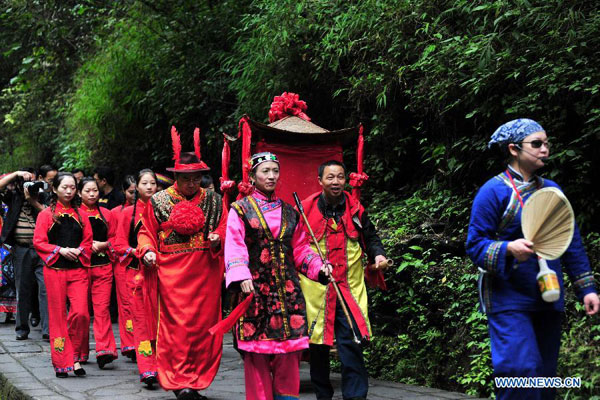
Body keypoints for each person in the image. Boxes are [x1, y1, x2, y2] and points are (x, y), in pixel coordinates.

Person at [466, 119, 599, 400]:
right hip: (507, 296)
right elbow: (475, 245)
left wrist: (586, 289)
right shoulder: (492, 192)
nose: (544, 149)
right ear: (514, 149)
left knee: (545, 376)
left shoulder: (551, 190)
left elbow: (570, 241)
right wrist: (508, 249)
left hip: (547, 294)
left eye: (546, 143)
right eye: (536, 144)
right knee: (519, 373)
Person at [225, 152, 330, 400]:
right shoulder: (240, 210)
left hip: (288, 292)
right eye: (265, 171)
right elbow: (235, 244)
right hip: (255, 291)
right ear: (253, 176)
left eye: (275, 171)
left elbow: (302, 248)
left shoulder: (290, 212)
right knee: (257, 358)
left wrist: (319, 267)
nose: (271, 176)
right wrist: (241, 275)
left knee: (288, 357)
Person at [137, 127, 227, 400]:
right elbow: (145, 232)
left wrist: (217, 238)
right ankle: (178, 381)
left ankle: (196, 380)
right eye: (187, 178)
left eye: (196, 178)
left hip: (205, 272)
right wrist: (148, 250)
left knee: (203, 330)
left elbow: (225, 227)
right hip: (172, 275)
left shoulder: (214, 199)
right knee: (175, 330)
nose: (192, 183)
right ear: (176, 176)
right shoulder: (158, 201)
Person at [299, 160, 388, 400]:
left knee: (352, 344)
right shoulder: (305, 209)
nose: (336, 182)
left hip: (349, 286)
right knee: (318, 346)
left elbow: (370, 237)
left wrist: (378, 254)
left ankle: (356, 397)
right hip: (317, 290)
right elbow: (296, 247)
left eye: (340, 177)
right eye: (330, 177)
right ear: (320, 181)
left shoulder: (355, 208)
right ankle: (323, 395)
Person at [33, 172, 92, 377]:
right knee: (57, 317)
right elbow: (39, 242)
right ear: (55, 189)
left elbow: (88, 242)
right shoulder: (45, 215)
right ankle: (63, 362)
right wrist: (59, 250)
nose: (69, 191)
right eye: (64, 187)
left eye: (72, 187)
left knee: (81, 313)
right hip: (55, 271)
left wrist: (79, 251)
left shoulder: (82, 214)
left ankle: (75, 355)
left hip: (77, 270)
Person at [115, 169, 159, 387]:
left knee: (160, 322)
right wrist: (137, 252)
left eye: (153, 183)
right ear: (137, 188)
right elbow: (119, 245)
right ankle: (148, 369)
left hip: (161, 274)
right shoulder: (127, 214)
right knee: (141, 323)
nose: (150, 187)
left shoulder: (164, 210)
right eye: (145, 183)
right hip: (136, 274)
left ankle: (163, 364)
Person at [0, 168, 52, 341]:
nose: (30, 186)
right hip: (21, 248)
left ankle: (47, 330)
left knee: (45, 289)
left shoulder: (44, 196)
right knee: (22, 289)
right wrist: (15, 175)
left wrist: (34, 200)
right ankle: (22, 329)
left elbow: (53, 216)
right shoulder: (14, 196)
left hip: (43, 248)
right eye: (27, 182)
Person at [78, 177, 119, 369]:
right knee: (81, 313)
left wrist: (104, 244)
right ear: (79, 193)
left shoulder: (108, 214)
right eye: (87, 191)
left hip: (103, 267)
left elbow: (115, 239)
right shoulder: (74, 215)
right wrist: (87, 245)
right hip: (79, 269)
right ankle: (80, 351)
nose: (92, 194)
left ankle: (104, 350)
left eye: (94, 190)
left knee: (102, 310)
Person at [111, 174, 136, 360]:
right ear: (124, 192)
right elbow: (113, 239)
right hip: (123, 262)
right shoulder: (116, 213)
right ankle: (129, 343)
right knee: (126, 304)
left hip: (145, 262)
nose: (135, 195)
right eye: (131, 192)